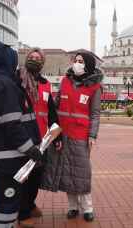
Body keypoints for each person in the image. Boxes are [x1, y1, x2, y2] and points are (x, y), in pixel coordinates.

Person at [0, 39, 42, 228]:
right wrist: (31, 149)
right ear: (4, 59)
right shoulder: (5, 85)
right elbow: (12, 124)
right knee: (7, 202)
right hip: (8, 161)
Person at [42, 52, 102, 222]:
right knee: (66, 171)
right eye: (75, 61)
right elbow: (56, 104)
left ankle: (88, 208)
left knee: (82, 172)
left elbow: (95, 114)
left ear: (88, 65)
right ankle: (72, 206)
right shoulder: (65, 81)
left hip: (81, 135)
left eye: (81, 61)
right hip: (63, 134)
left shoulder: (95, 87)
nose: (77, 64)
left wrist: (92, 135)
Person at [16, 48, 61, 228]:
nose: (34, 60)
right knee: (24, 176)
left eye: (38, 58)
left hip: (42, 138)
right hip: (24, 138)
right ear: (26, 60)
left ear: (42, 62)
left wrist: (57, 137)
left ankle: (30, 203)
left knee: (37, 175)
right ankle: (23, 213)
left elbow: (51, 112)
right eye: (31, 57)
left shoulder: (45, 84)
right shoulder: (19, 81)